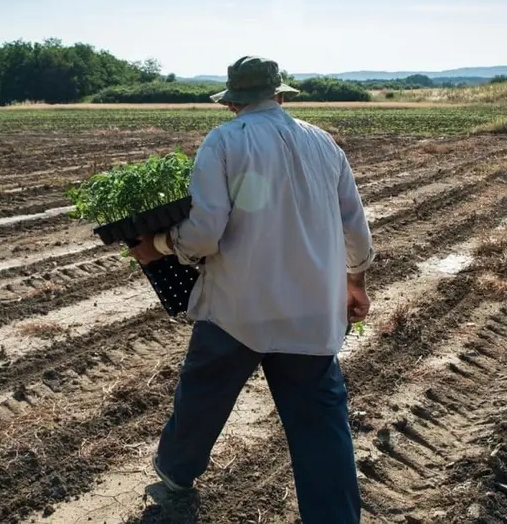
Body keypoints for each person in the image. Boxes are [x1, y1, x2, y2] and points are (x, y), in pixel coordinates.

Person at [128, 55, 374, 523]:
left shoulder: (225, 141)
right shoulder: (323, 143)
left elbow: (202, 234)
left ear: (232, 103)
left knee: (202, 400)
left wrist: (156, 245)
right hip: (311, 314)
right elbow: (355, 228)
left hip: (237, 310)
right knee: (322, 426)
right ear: (280, 96)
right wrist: (355, 281)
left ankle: (175, 485)